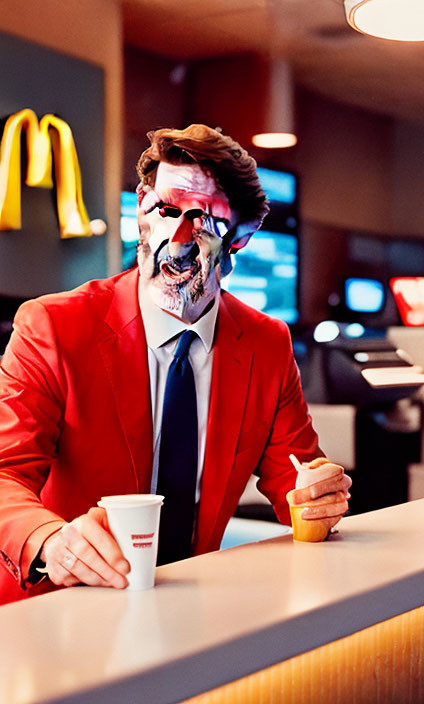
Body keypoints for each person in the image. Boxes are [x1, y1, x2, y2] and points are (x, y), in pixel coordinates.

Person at [0, 124, 351, 606]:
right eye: (165, 210)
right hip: (55, 607)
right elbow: (4, 473)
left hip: (189, 611)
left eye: (204, 219)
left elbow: (297, 480)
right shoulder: (53, 326)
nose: (178, 237)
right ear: (143, 205)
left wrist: (318, 495)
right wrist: (49, 540)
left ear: (241, 237)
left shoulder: (266, 343)